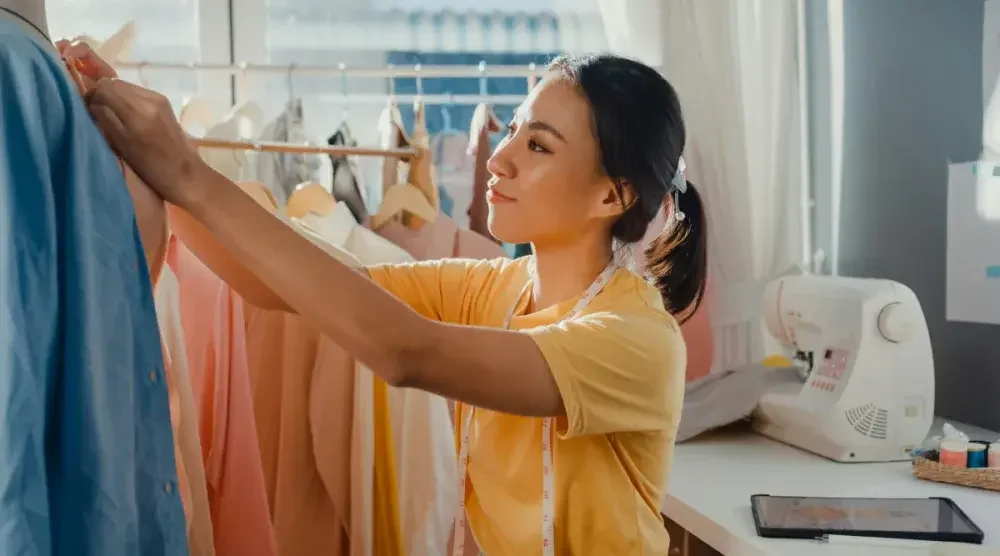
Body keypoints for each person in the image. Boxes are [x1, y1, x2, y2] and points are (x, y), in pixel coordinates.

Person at [72, 43, 708, 553]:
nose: (499, 158)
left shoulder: (635, 339)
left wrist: (188, 172)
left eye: (538, 145)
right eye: (512, 129)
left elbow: (405, 352)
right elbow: (279, 283)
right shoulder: (495, 287)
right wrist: (153, 166)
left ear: (613, 196)